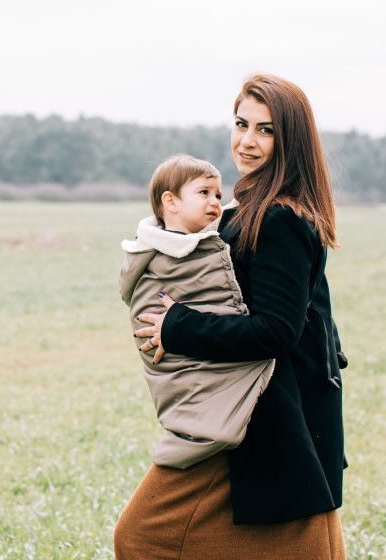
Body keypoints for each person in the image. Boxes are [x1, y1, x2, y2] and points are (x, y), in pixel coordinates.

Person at [114, 74, 348, 560]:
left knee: (142, 536)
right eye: (241, 123)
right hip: (252, 408)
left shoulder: (280, 217)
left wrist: (177, 326)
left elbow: (277, 330)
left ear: (290, 141)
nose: (246, 140)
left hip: (261, 414)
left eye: (265, 130)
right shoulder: (247, 210)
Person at [119, 154, 274, 469]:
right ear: (171, 202)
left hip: (204, 346)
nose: (215, 201)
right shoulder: (163, 254)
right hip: (177, 358)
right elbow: (150, 303)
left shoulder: (205, 242)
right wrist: (176, 327)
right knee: (213, 424)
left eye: (218, 194)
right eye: (204, 193)